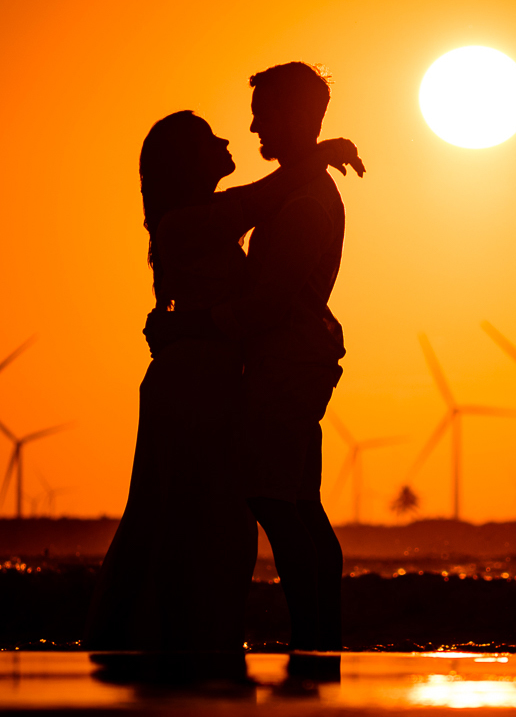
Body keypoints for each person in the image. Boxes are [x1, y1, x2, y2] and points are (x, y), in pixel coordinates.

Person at [84, 110, 361, 653]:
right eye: (212, 139)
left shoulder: (211, 212)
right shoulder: (182, 224)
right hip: (189, 384)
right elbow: (261, 200)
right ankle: (169, 638)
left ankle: (196, 638)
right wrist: (318, 153)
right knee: (181, 513)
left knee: (216, 517)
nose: (233, 137)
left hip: (215, 378)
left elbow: (260, 198)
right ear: (187, 160)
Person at [212, 62, 352, 652]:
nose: (252, 127)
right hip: (300, 360)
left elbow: (272, 301)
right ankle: (320, 637)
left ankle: (312, 638)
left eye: (263, 113)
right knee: (301, 502)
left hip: (287, 363)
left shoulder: (304, 202)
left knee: (273, 497)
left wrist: (197, 328)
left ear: (296, 116)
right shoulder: (303, 187)